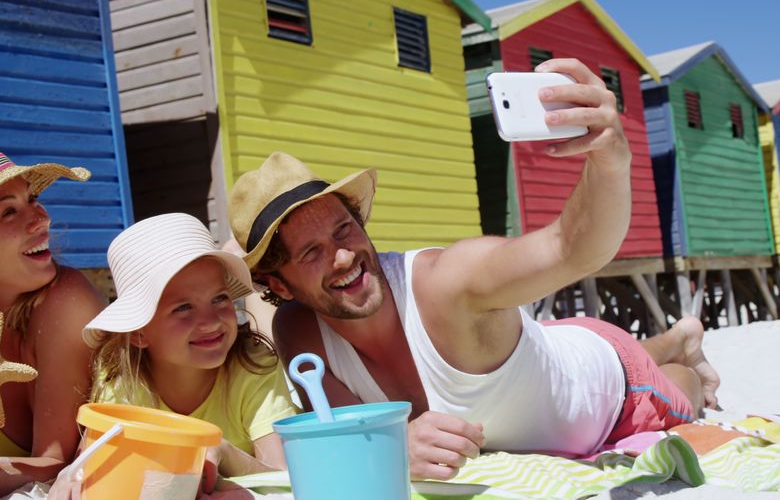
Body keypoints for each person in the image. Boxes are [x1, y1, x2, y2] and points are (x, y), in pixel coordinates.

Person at [228, 58, 721, 480]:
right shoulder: (299, 333)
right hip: (537, 351)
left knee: (684, 389)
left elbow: (572, 249)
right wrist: (397, 446)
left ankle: (680, 354)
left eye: (343, 230)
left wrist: (611, 159)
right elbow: (370, 437)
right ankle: (675, 336)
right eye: (310, 253)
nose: (342, 256)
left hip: (612, 392)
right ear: (279, 285)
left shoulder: (448, 280)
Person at [0, 137, 104, 497]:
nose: (41, 218)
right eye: (8, 211)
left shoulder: (64, 303)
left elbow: (59, 466)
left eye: (32, 200)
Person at [80, 213, 296, 493]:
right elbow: (90, 467)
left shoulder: (252, 366)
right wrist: (71, 478)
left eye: (219, 299)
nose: (211, 321)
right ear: (138, 333)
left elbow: (286, 480)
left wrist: (225, 453)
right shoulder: (122, 383)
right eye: (183, 308)